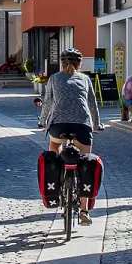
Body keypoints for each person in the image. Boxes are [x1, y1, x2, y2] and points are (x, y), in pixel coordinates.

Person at [37, 48, 105, 224]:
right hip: (82, 126)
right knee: (85, 160)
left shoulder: (54, 78)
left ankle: (58, 182)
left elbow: (48, 102)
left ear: (62, 64)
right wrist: (96, 125)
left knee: (53, 151)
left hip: (58, 126)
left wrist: (43, 121)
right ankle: (84, 210)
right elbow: (92, 103)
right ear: (79, 64)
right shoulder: (85, 79)